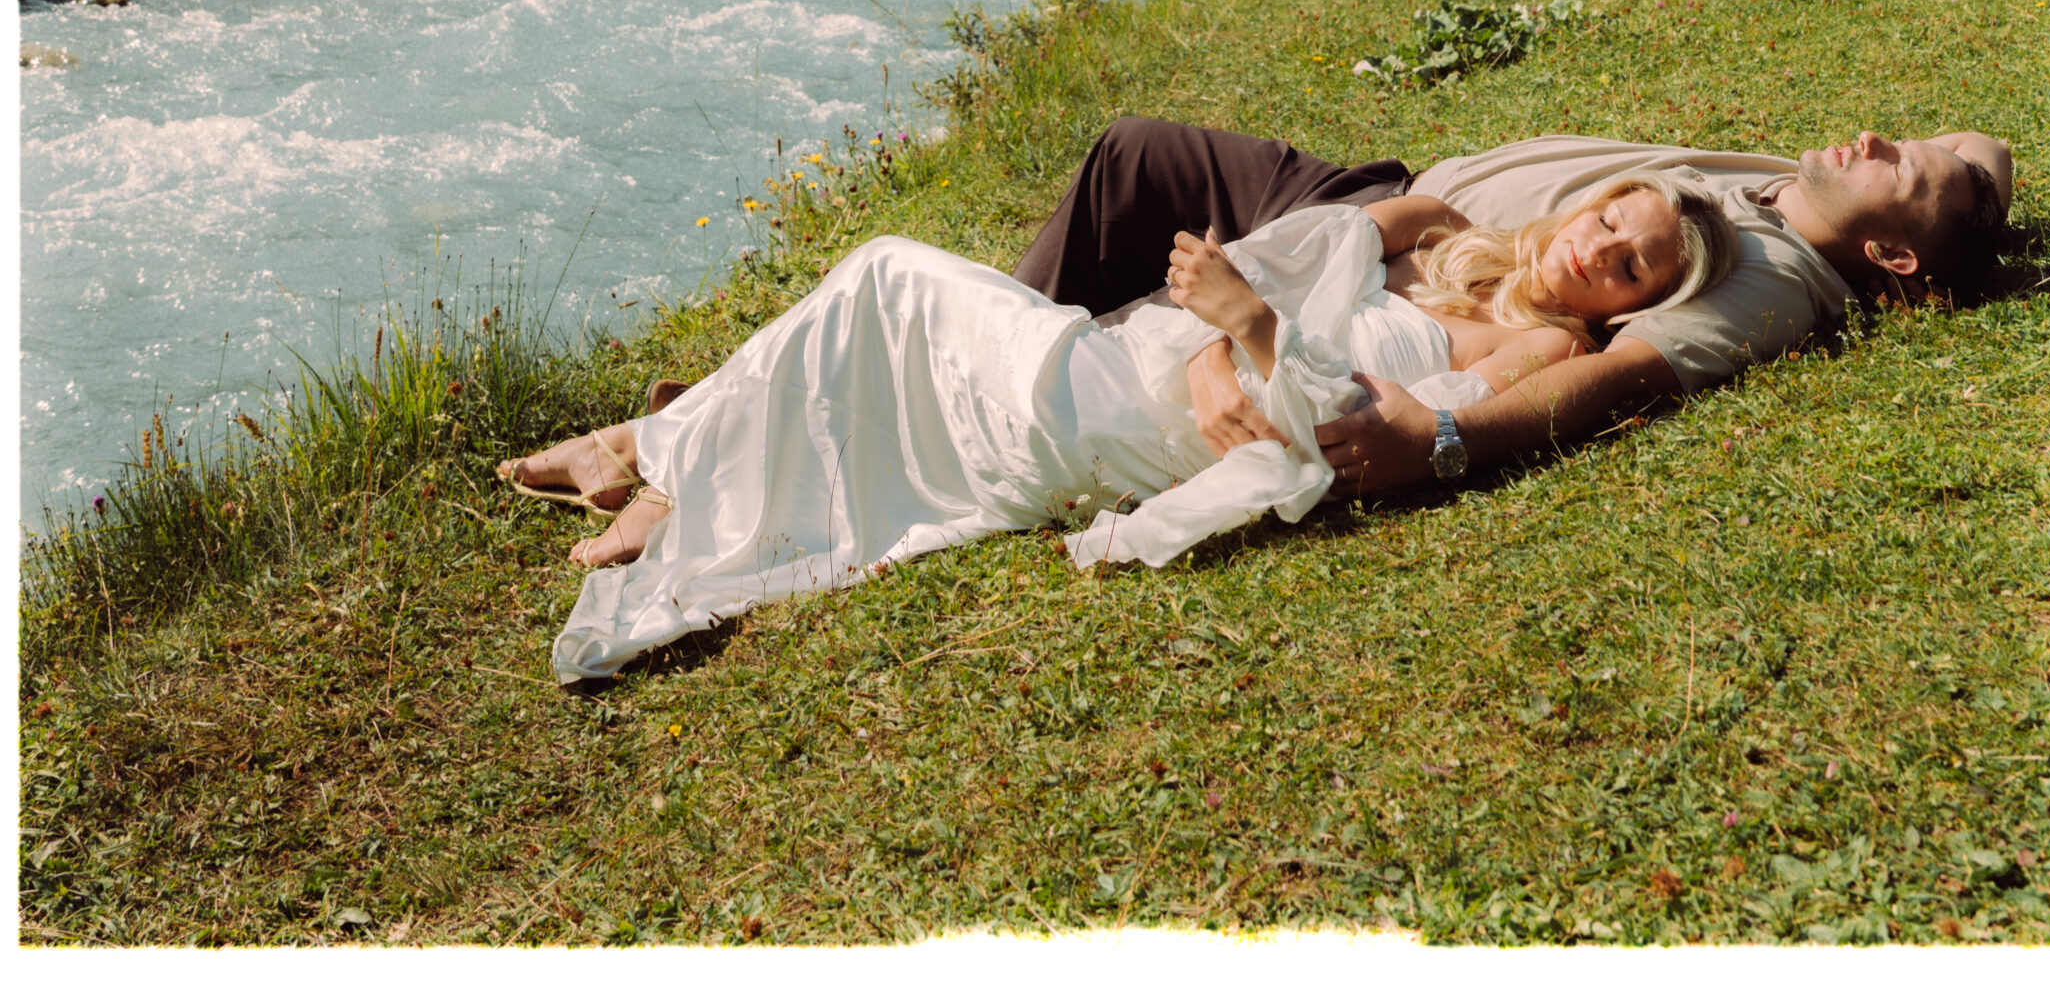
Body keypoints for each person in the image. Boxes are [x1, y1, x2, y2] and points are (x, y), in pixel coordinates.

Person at [500, 170, 1733, 683]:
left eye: (1631, 266)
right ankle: (658, 456)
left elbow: (1374, 432)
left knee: (888, 273)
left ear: (1632, 302)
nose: (1598, 250)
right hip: (1137, 359)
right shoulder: (1443, 230)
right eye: (1609, 219)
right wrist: (1228, 320)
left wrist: (1249, 331)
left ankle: (655, 460)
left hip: (1155, 430)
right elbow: (1308, 242)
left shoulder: (1548, 348)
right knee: (882, 305)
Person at [1011, 115, 2014, 497]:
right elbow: (1983, 144)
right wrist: (1964, 176)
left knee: (1135, 163)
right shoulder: (1789, 195)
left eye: (1899, 169)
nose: (1875, 136)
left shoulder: (1775, 281)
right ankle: (1048, 354)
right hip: (1404, 215)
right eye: (1897, 139)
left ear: (1887, 250)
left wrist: (1444, 439)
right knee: (1136, 160)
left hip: (1376, 250)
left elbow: (1616, 375)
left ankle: (1024, 372)